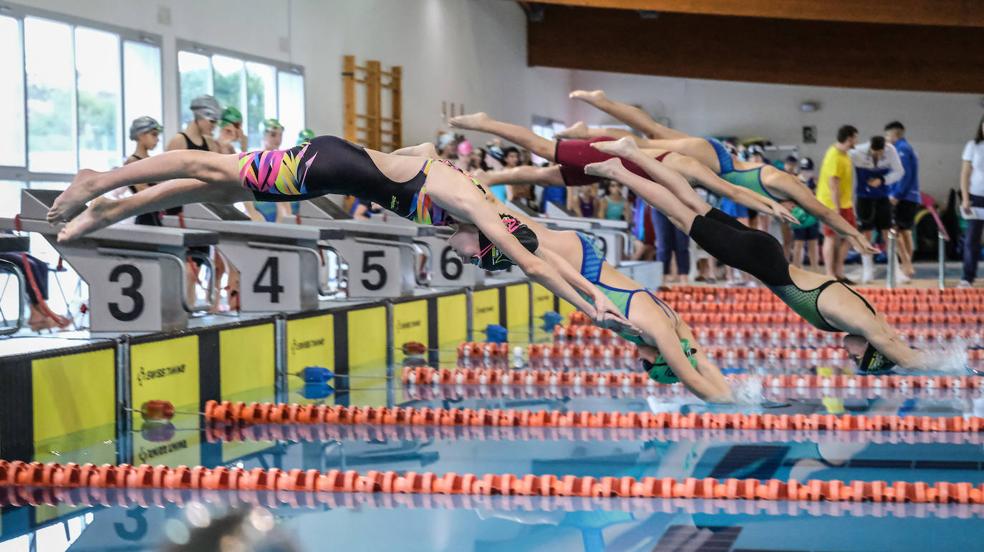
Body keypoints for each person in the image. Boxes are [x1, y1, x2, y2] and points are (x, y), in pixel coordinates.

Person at [46, 136, 632, 329]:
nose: (467, 258)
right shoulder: (473, 206)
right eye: (480, 257)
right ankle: (99, 182)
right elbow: (531, 263)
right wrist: (597, 304)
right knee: (206, 169)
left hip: (332, 170)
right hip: (322, 166)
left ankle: (108, 210)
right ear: (487, 238)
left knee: (212, 189)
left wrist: (585, 283)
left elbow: (541, 252)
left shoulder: (471, 213)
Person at [585, 137, 936, 373]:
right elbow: (894, 344)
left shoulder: (858, 320)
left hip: (766, 255)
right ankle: (621, 167)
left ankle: (632, 155)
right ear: (873, 350)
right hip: (757, 259)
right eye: (859, 358)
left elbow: (888, 335)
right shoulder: (861, 321)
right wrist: (938, 365)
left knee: (693, 204)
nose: (850, 355)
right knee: (681, 213)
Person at [448, 207, 733, 401]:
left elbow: (701, 362)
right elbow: (692, 379)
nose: (639, 363)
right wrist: (730, 407)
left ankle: (460, 211)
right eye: (647, 367)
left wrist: (731, 394)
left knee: (498, 222)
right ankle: (459, 195)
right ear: (658, 359)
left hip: (584, 260)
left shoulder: (673, 324)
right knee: (492, 218)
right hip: (583, 266)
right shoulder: (658, 331)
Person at [558, 90, 874, 256]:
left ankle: (593, 122)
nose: (789, 211)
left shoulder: (780, 190)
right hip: (717, 160)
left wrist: (853, 236)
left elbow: (817, 212)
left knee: (651, 133)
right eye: (793, 211)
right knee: (645, 137)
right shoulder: (784, 183)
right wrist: (855, 233)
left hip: (714, 159)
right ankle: (595, 114)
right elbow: (822, 210)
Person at [447, 112, 797, 225]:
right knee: (541, 149)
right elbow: (730, 192)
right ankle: (486, 122)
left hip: (612, 164)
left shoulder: (689, 161)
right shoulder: (690, 163)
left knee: (544, 175)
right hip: (607, 157)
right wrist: (772, 205)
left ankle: (488, 176)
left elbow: (726, 192)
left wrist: (772, 205)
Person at [850, 135, 905, 283]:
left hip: (882, 195)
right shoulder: (856, 152)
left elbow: (899, 172)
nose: (878, 156)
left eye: (880, 153)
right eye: (875, 153)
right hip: (863, 196)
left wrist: (883, 180)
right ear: (870, 148)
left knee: (887, 231)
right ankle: (868, 269)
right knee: (866, 232)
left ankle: (895, 269)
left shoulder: (891, 150)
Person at [816, 125, 859, 281]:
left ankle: (838, 270)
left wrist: (849, 204)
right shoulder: (834, 155)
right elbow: (833, 183)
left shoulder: (845, 154)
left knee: (851, 236)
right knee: (831, 237)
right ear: (849, 138)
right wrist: (836, 208)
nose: (857, 141)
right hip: (831, 204)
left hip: (845, 202)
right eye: (855, 137)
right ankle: (830, 274)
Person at [885, 121, 919, 280]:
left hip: (903, 196)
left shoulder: (902, 149)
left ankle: (906, 265)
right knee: (905, 232)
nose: (886, 138)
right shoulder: (906, 148)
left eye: (887, 135)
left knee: (894, 230)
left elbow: (904, 175)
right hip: (910, 196)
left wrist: (896, 195)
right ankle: (907, 268)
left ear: (895, 134)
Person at [244, 118, 295, 223]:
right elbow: (244, 190)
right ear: (263, 136)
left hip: (277, 211)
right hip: (258, 212)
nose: (278, 139)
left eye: (280, 135)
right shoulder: (253, 160)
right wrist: (252, 212)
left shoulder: (282, 162)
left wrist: (289, 214)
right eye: (273, 135)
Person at [124, 116, 164, 226]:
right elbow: (144, 192)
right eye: (154, 134)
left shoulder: (152, 161)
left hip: (156, 218)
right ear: (141, 135)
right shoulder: (132, 162)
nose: (157, 139)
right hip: (146, 220)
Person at [960, 114, 984, 287]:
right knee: (971, 239)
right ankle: (968, 277)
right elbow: (965, 173)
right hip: (976, 198)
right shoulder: (973, 146)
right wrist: (965, 198)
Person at [790, 158, 821, 271]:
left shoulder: (815, 181)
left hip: (812, 217)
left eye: (808, 170)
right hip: (799, 217)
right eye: (804, 170)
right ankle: (796, 268)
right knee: (799, 243)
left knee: (813, 243)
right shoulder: (795, 181)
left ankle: (815, 268)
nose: (806, 173)